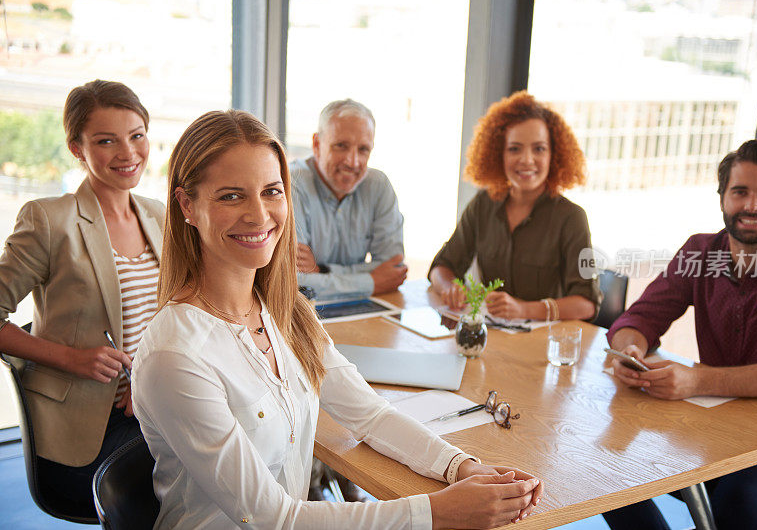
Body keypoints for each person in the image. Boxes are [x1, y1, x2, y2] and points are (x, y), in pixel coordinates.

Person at [132, 109, 544, 529]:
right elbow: (277, 519)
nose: (259, 215)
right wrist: (437, 513)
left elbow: (370, 415)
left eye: (272, 191)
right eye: (231, 196)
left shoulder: (285, 312)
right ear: (187, 204)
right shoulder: (176, 354)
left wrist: (460, 467)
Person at [604, 138, 757, 529]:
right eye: (740, 192)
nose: (751, 205)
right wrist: (631, 354)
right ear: (723, 199)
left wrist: (696, 380)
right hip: (717, 425)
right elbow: (638, 319)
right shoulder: (700, 253)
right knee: (605, 466)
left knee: (742, 508)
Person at [0, 79, 163, 512]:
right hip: (86, 437)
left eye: (137, 135)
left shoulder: (160, 216)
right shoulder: (50, 220)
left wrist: (149, 384)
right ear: (77, 147)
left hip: (149, 411)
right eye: (106, 141)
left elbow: (177, 318)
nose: (128, 153)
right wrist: (72, 357)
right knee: (207, 473)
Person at [429, 91, 600, 321]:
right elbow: (441, 267)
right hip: (491, 334)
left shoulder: (572, 217)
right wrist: (450, 289)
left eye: (539, 149)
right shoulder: (483, 204)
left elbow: (587, 304)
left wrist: (525, 309)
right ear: (498, 154)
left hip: (545, 345)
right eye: (514, 148)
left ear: (554, 154)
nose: (527, 160)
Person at [290, 99, 407, 301]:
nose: (352, 162)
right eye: (341, 146)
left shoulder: (378, 186)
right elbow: (295, 282)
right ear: (317, 144)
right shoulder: (292, 184)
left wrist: (323, 271)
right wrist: (370, 281)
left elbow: (393, 268)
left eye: (363, 150)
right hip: (302, 318)